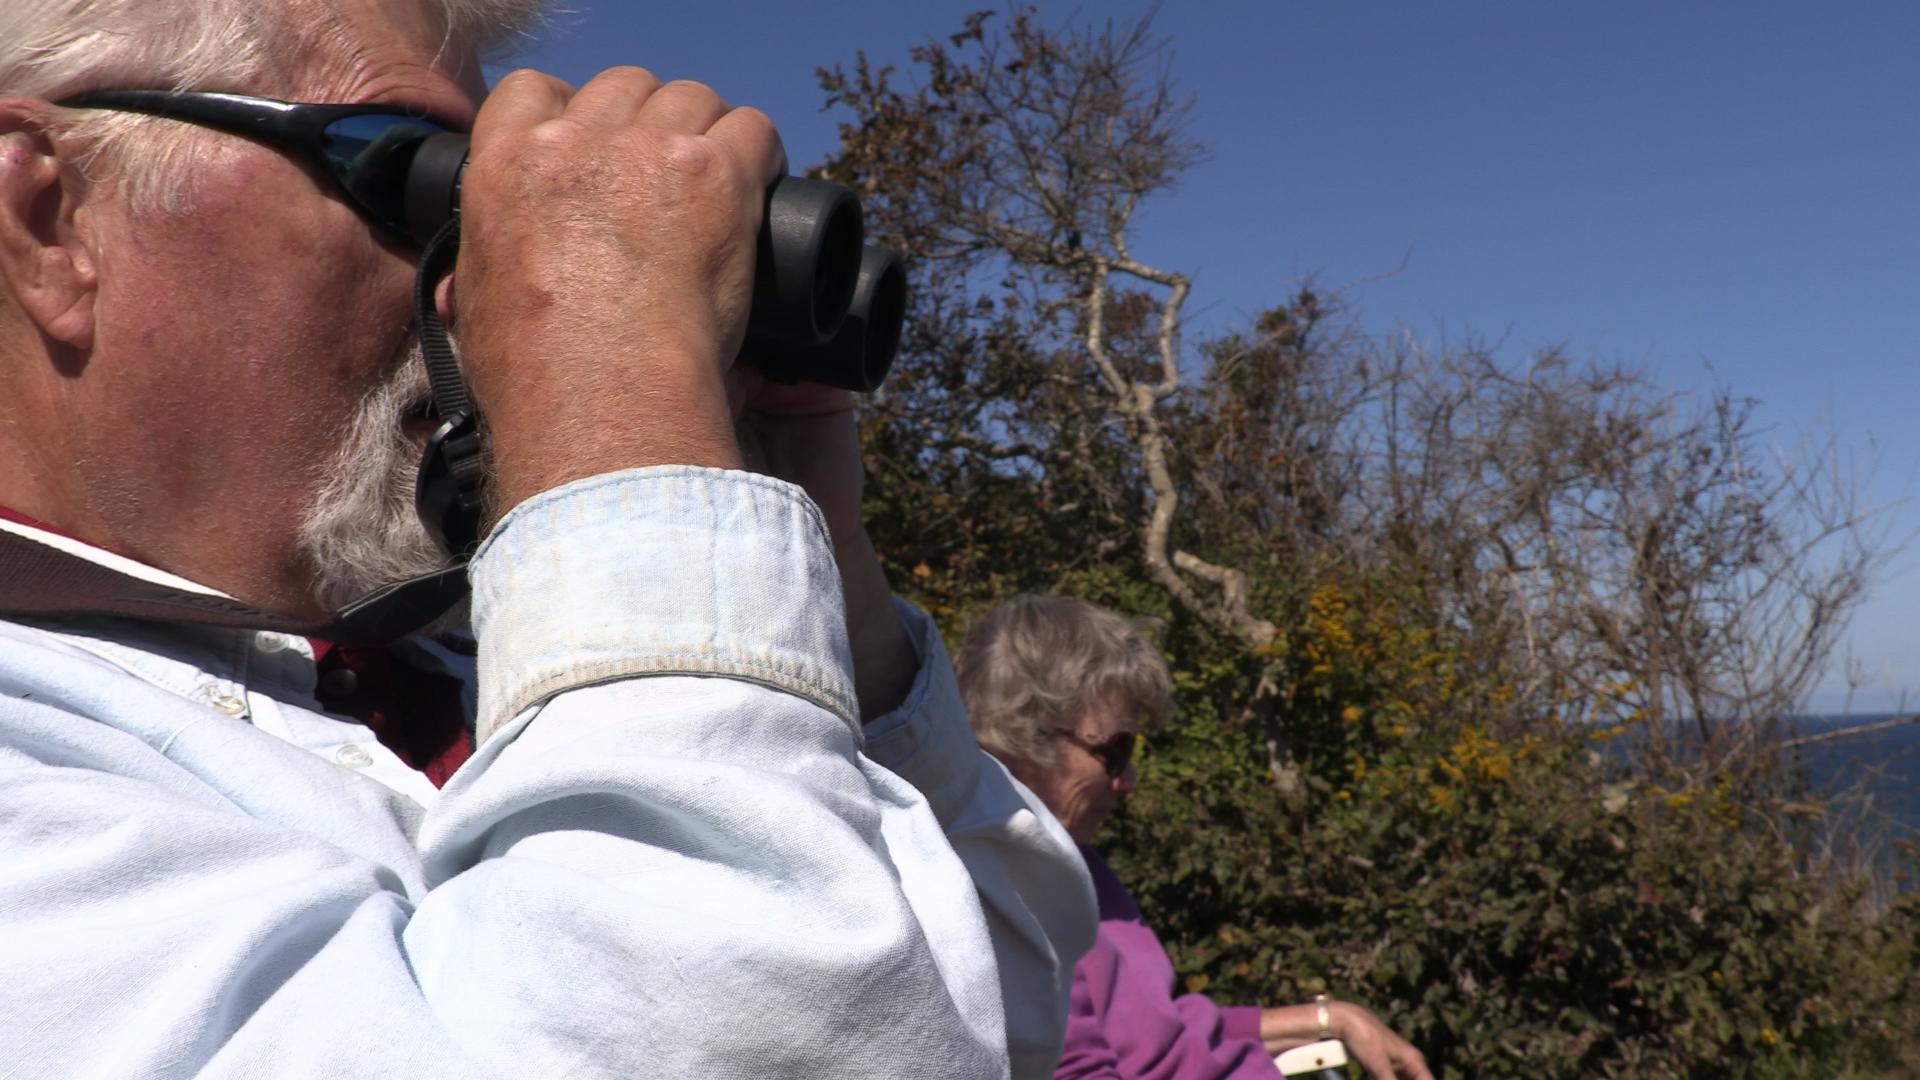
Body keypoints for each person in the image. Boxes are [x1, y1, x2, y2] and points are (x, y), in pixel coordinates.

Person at [0, 2, 1094, 1077]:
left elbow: (996, 1017)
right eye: (406, 170)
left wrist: (821, 594)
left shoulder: (466, 674)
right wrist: (626, 435)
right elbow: (756, 1035)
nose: (482, 272)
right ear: (46, 217)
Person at [955, 596, 1433, 1080]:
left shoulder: (1078, 864)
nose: (1129, 781)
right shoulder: (1005, 896)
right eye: (1115, 750)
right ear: (1020, 734)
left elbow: (1164, 1036)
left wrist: (1330, 1019)